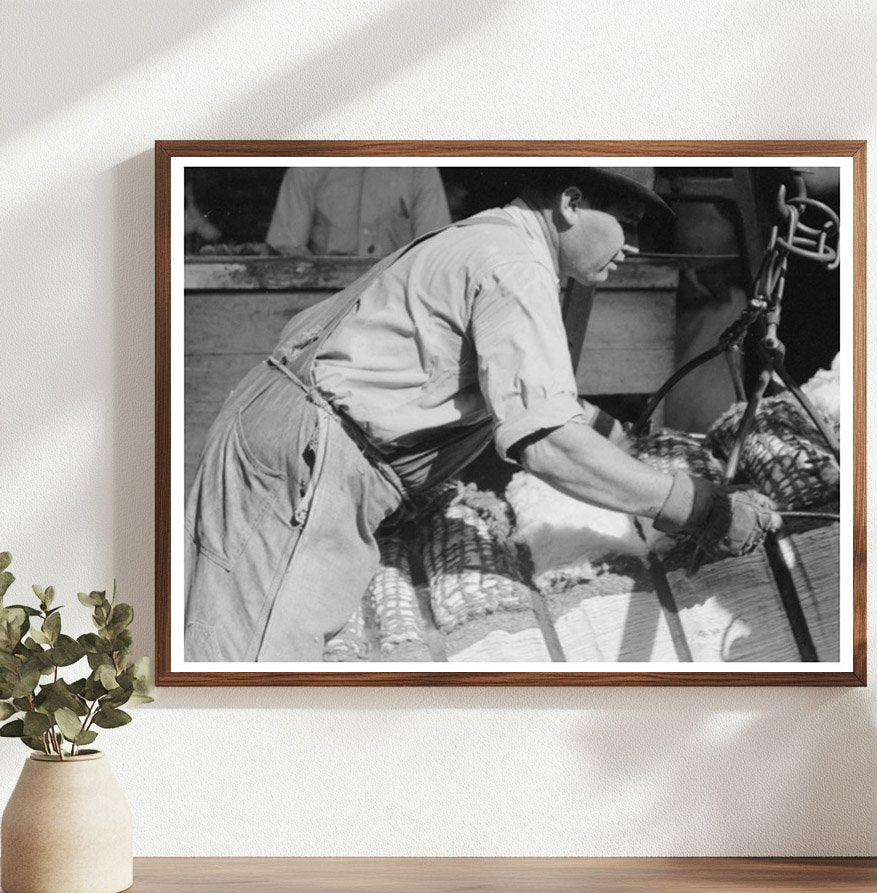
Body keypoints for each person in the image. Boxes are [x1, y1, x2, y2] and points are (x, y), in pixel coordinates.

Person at [185, 167, 775, 662]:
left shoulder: (491, 238)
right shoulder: (516, 266)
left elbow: (517, 390)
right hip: (306, 458)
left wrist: (617, 435)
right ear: (570, 204)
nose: (634, 247)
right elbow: (549, 446)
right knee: (254, 667)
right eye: (627, 223)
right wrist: (698, 508)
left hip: (289, 436)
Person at [265, 166, 451, 257]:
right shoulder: (309, 167)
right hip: (325, 303)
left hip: (395, 301)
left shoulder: (419, 169)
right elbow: (287, 247)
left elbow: (434, 252)